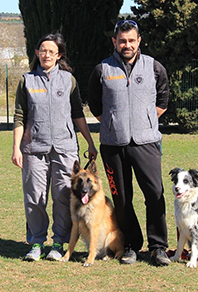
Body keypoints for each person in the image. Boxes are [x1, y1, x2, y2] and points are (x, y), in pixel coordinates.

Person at [88, 20, 170, 266]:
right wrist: (115, 124)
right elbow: (95, 105)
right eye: (122, 40)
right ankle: (132, 246)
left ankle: (158, 247)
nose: (127, 45)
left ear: (139, 41)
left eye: (131, 40)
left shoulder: (154, 67)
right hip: (113, 145)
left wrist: (144, 122)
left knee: (154, 194)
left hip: (146, 143)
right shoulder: (102, 69)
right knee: (121, 198)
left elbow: (163, 100)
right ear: (115, 41)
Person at [12, 33, 98, 262]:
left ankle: (59, 243)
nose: (46, 54)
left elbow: (77, 113)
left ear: (59, 55)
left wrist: (89, 142)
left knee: (62, 197)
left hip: (65, 148)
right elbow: (19, 116)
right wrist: (16, 148)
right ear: (37, 53)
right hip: (34, 149)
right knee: (35, 198)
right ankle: (37, 243)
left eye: (51, 51)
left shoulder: (68, 80)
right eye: (42, 50)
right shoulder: (27, 80)